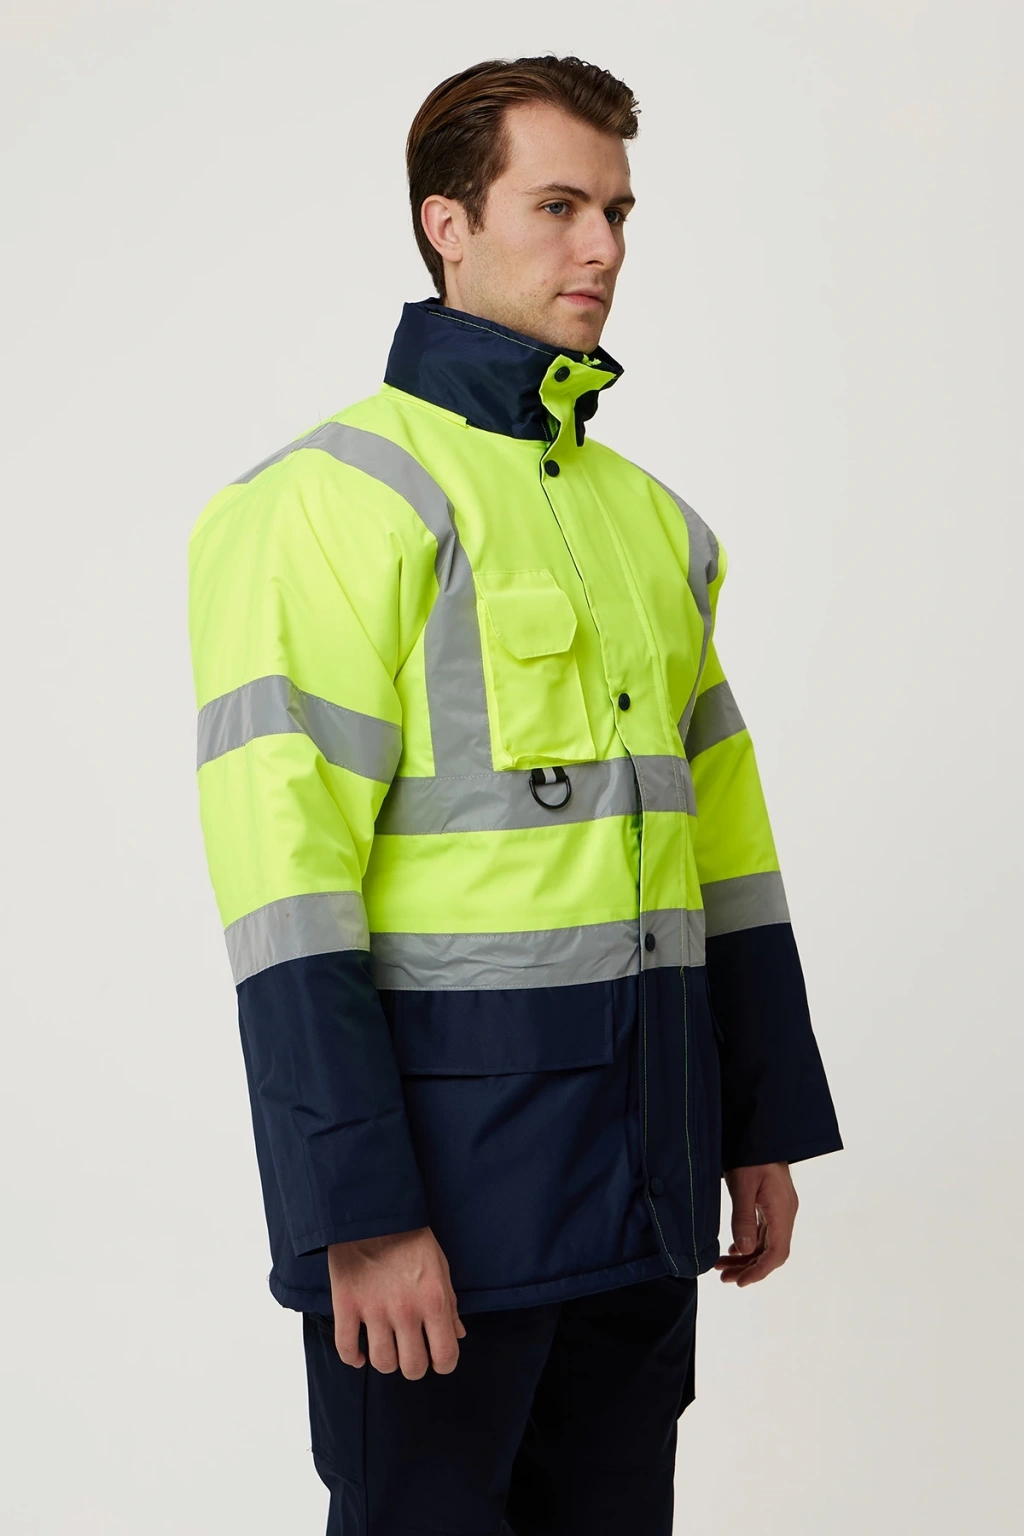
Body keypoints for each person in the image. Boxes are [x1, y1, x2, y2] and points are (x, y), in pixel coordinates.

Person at [188, 52, 842, 1536]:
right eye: (557, 207)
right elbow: (287, 901)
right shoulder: (326, 505)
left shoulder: (658, 528)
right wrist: (359, 1214)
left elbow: (727, 853)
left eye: (617, 211)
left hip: (647, 1185)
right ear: (449, 225)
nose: (601, 246)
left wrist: (756, 1124)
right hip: (444, 1215)